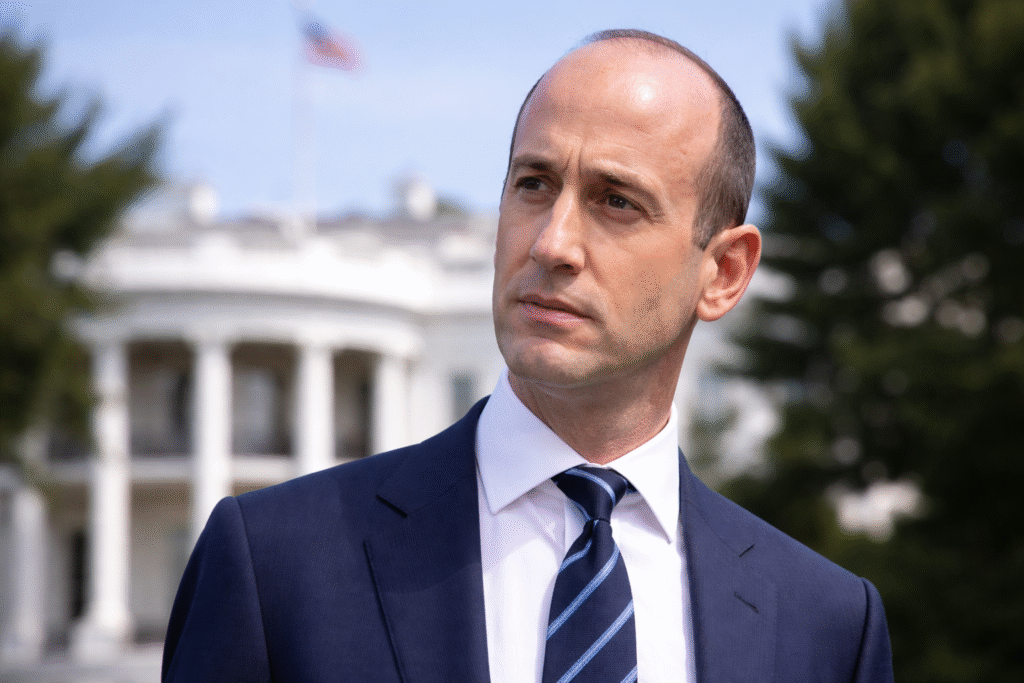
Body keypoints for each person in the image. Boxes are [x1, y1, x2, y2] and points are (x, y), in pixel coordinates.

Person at [162, 29, 894, 683]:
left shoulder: (827, 625)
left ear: (724, 272)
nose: (551, 243)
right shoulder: (274, 566)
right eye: (534, 184)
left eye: (616, 201)